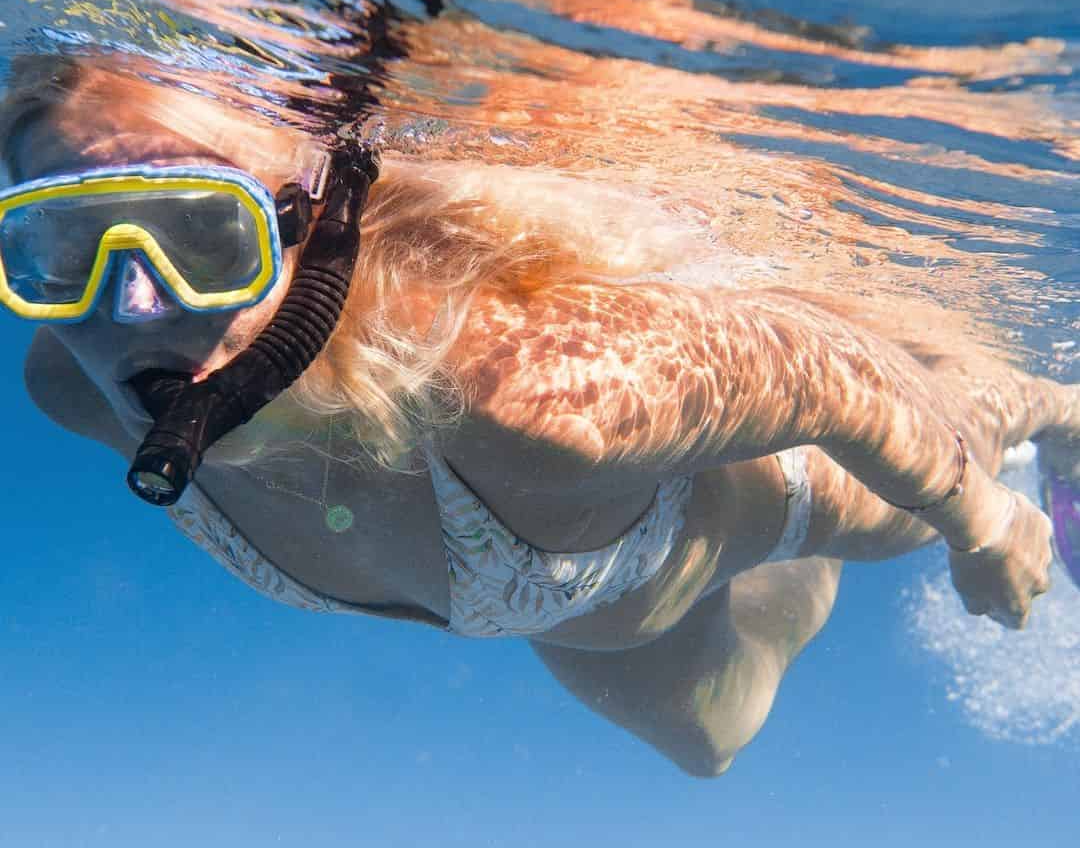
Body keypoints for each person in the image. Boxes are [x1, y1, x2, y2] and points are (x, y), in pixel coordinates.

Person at [1, 56, 1072, 777]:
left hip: (758, 486)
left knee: (943, 462)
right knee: (709, 744)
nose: (132, 305)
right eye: (58, 245)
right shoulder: (68, 384)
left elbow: (839, 378)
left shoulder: (526, 397)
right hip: (568, 597)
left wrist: (980, 521)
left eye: (202, 235)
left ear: (316, 227)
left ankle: (1061, 407)